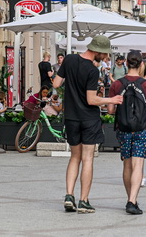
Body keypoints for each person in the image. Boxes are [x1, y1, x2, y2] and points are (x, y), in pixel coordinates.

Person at [53, 35, 123, 214]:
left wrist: (70, 87)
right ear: (98, 51)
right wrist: (111, 99)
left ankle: (69, 196)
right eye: (105, 54)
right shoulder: (92, 71)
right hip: (88, 119)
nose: (105, 58)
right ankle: (84, 200)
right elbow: (91, 100)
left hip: (71, 117)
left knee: (74, 157)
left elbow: (56, 83)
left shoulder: (69, 59)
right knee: (88, 158)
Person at [108, 50, 146, 215]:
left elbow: (110, 110)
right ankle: (132, 201)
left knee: (127, 164)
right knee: (138, 164)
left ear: (126, 63)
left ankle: (130, 198)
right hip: (141, 128)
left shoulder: (117, 84)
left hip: (123, 128)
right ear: (141, 64)